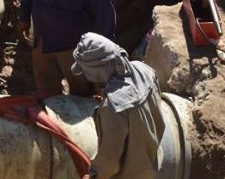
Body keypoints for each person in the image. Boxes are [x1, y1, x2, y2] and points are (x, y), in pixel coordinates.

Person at [71, 32, 166, 179]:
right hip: (152, 162)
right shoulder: (144, 70)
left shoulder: (113, 107)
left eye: (85, 70)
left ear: (97, 70)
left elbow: (109, 161)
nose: (84, 74)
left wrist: (94, 176)